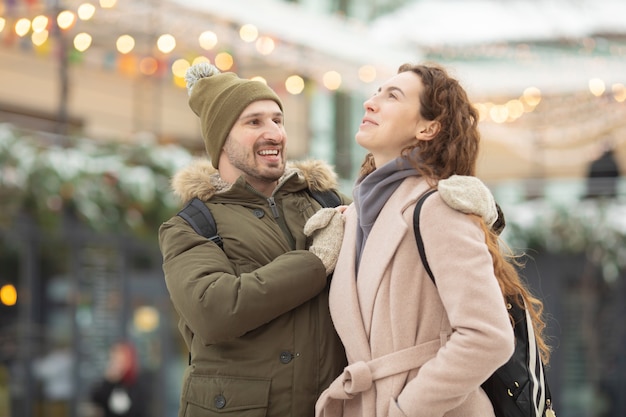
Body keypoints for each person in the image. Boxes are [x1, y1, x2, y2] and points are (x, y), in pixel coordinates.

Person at [158, 63, 498, 417]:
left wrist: (478, 211)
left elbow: (413, 247)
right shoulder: (192, 225)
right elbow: (214, 311)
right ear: (221, 139)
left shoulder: (328, 205)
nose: (273, 132)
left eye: (278, 120)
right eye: (254, 122)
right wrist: (316, 263)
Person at [313, 63, 551, 417]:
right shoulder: (358, 218)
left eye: (392, 96)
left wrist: (407, 409)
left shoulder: (437, 207)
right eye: (376, 92)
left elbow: (488, 336)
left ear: (428, 127)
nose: (370, 103)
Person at [90, 341, 149, 417]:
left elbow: (139, 410)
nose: (116, 362)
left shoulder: (137, 382)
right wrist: (108, 381)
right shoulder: (109, 382)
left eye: (120, 359)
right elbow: (96, 400)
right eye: (113, 358)